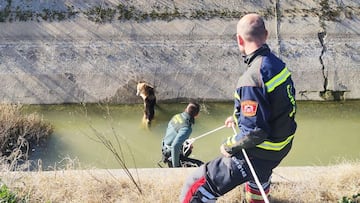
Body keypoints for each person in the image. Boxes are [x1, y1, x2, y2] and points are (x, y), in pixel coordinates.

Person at [179, 13, 297, 203]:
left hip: (260, 151)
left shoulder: (251, 79)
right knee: (259, 177)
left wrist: (229, 145)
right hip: (281, 146)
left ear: (239, 39)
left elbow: (255, 132)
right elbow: (275, 106)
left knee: (196, 183)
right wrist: (239, 117)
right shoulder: (278, 65)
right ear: (266, 34)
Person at [161, 102, 204, 168]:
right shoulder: (186, 128)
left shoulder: (177, 116)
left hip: (164, 148)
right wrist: (176, 166)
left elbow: (170, 132)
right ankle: (175, 164)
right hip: (171, 155)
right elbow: (175, 146)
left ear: (185, 109)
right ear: (197, 115)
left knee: (188, 148)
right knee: (201, 165)